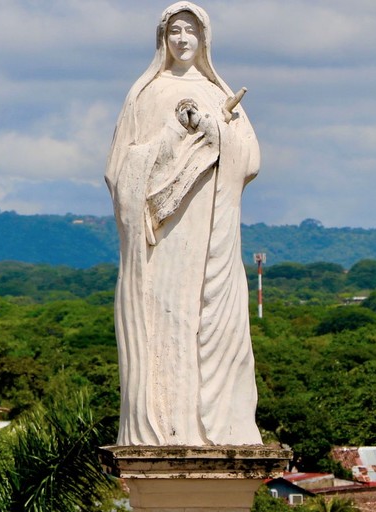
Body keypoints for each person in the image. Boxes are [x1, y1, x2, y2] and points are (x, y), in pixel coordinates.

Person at [105, 1, 262, 446]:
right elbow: (120, 169)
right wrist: (174, 134)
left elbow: (249, 159)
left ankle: (215, 422)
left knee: (208, 321)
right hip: (162, 242)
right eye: (175, 30)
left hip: (210, 229)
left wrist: (216, 130)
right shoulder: (145, 94)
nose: (183, 39)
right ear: (163, 38)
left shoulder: (217, 92)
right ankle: (166, 422)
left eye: (191, 30)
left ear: (204, 38)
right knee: (167, 320)